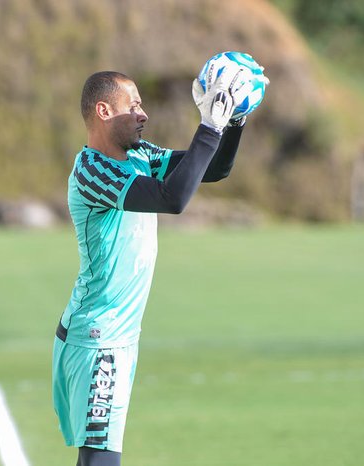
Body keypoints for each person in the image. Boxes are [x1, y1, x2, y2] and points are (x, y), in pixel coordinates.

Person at [52, 65, 256, 466]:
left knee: (96, 457)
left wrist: (233, 120)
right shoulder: (93, 171)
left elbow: (212, 169)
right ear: (104, 111)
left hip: (117, 336)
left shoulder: (140, 155)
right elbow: (172, 199)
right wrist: (208, 127)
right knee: (100, 459)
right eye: (135, 105)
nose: (144, 114)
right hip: (98, 338)